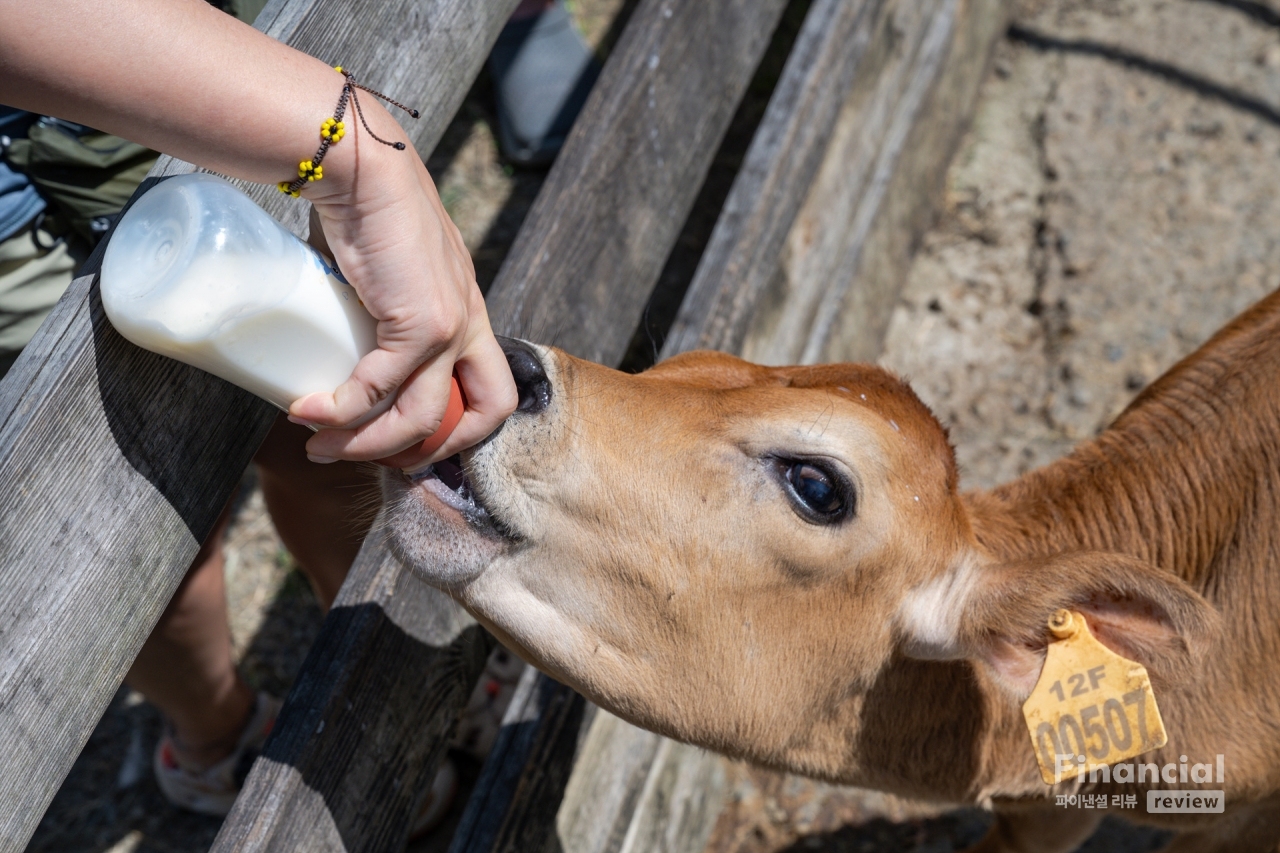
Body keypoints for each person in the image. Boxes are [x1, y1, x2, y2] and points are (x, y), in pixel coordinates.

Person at [0, 0, 524, 819]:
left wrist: (345, 155)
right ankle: (215, 733)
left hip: (136, 53)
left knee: (323, 408)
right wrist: (359, 159)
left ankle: (377, 657)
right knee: (138, 514)